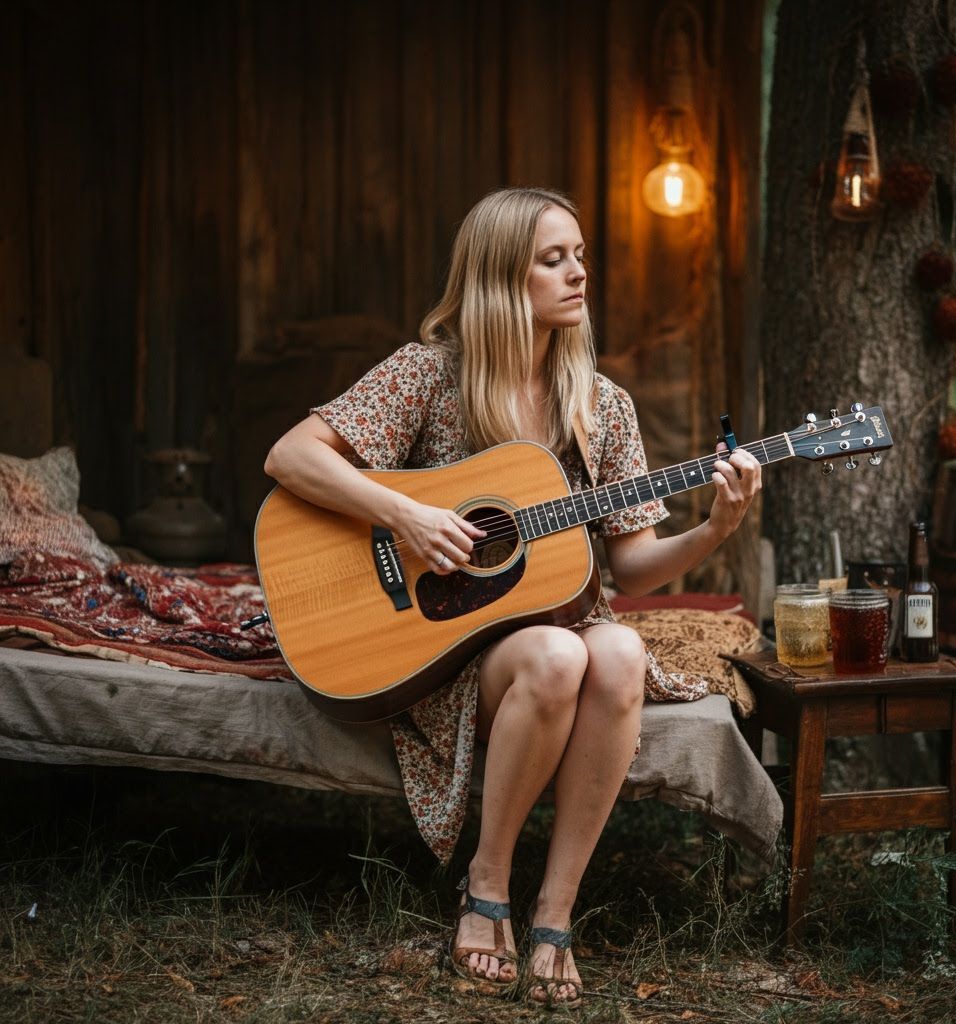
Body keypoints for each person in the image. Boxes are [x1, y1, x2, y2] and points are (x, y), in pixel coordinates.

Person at [264, 187, 761, 1007]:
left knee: (618, 647)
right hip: (451, 649)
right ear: (500, 276)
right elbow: (291, 456)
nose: (579, 274)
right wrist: (406, 516)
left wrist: (717, 527)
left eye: (580, 257)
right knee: (559, 655)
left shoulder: (601, 405)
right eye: (553, 259)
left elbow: (635, 568)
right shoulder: (430, 373)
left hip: (557, 628)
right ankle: (486, 885)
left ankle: (555, 912)